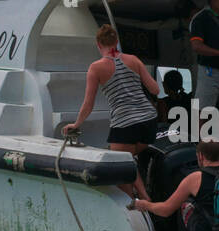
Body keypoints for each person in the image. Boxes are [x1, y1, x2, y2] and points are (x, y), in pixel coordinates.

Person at [64, 25, 160, 200]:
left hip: (124, 123)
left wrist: (76, 124)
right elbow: (155, 89)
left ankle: (144, 202)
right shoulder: (134, 60)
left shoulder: (96, 68)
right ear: (116, 42)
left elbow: (88, 104)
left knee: (121, 172)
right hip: (149, 121)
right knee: (127, 159)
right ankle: (146, 198)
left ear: (98, 44)